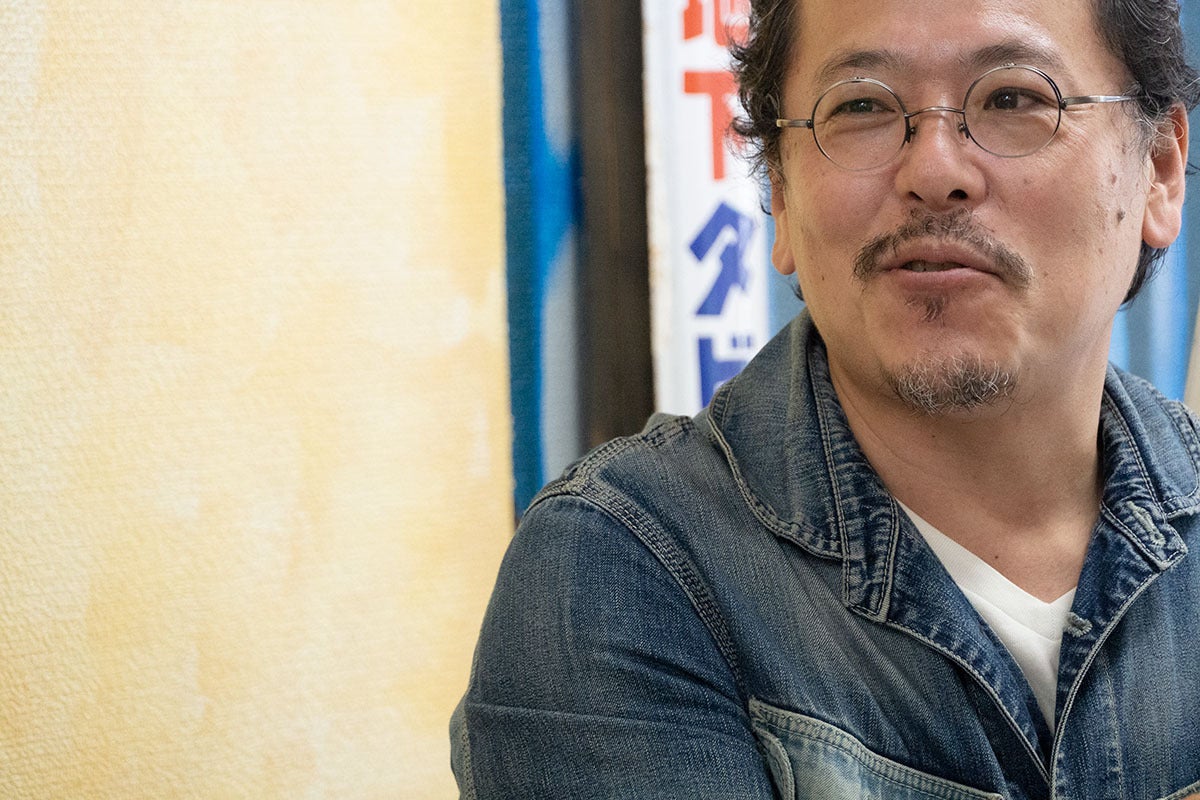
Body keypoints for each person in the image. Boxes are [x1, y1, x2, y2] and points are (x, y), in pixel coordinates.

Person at [451, 0, 1200, 796]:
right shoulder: (624, 572)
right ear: (779, 190)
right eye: (863, 107)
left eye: (1012, 97)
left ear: (1159, 169)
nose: (934, 172)